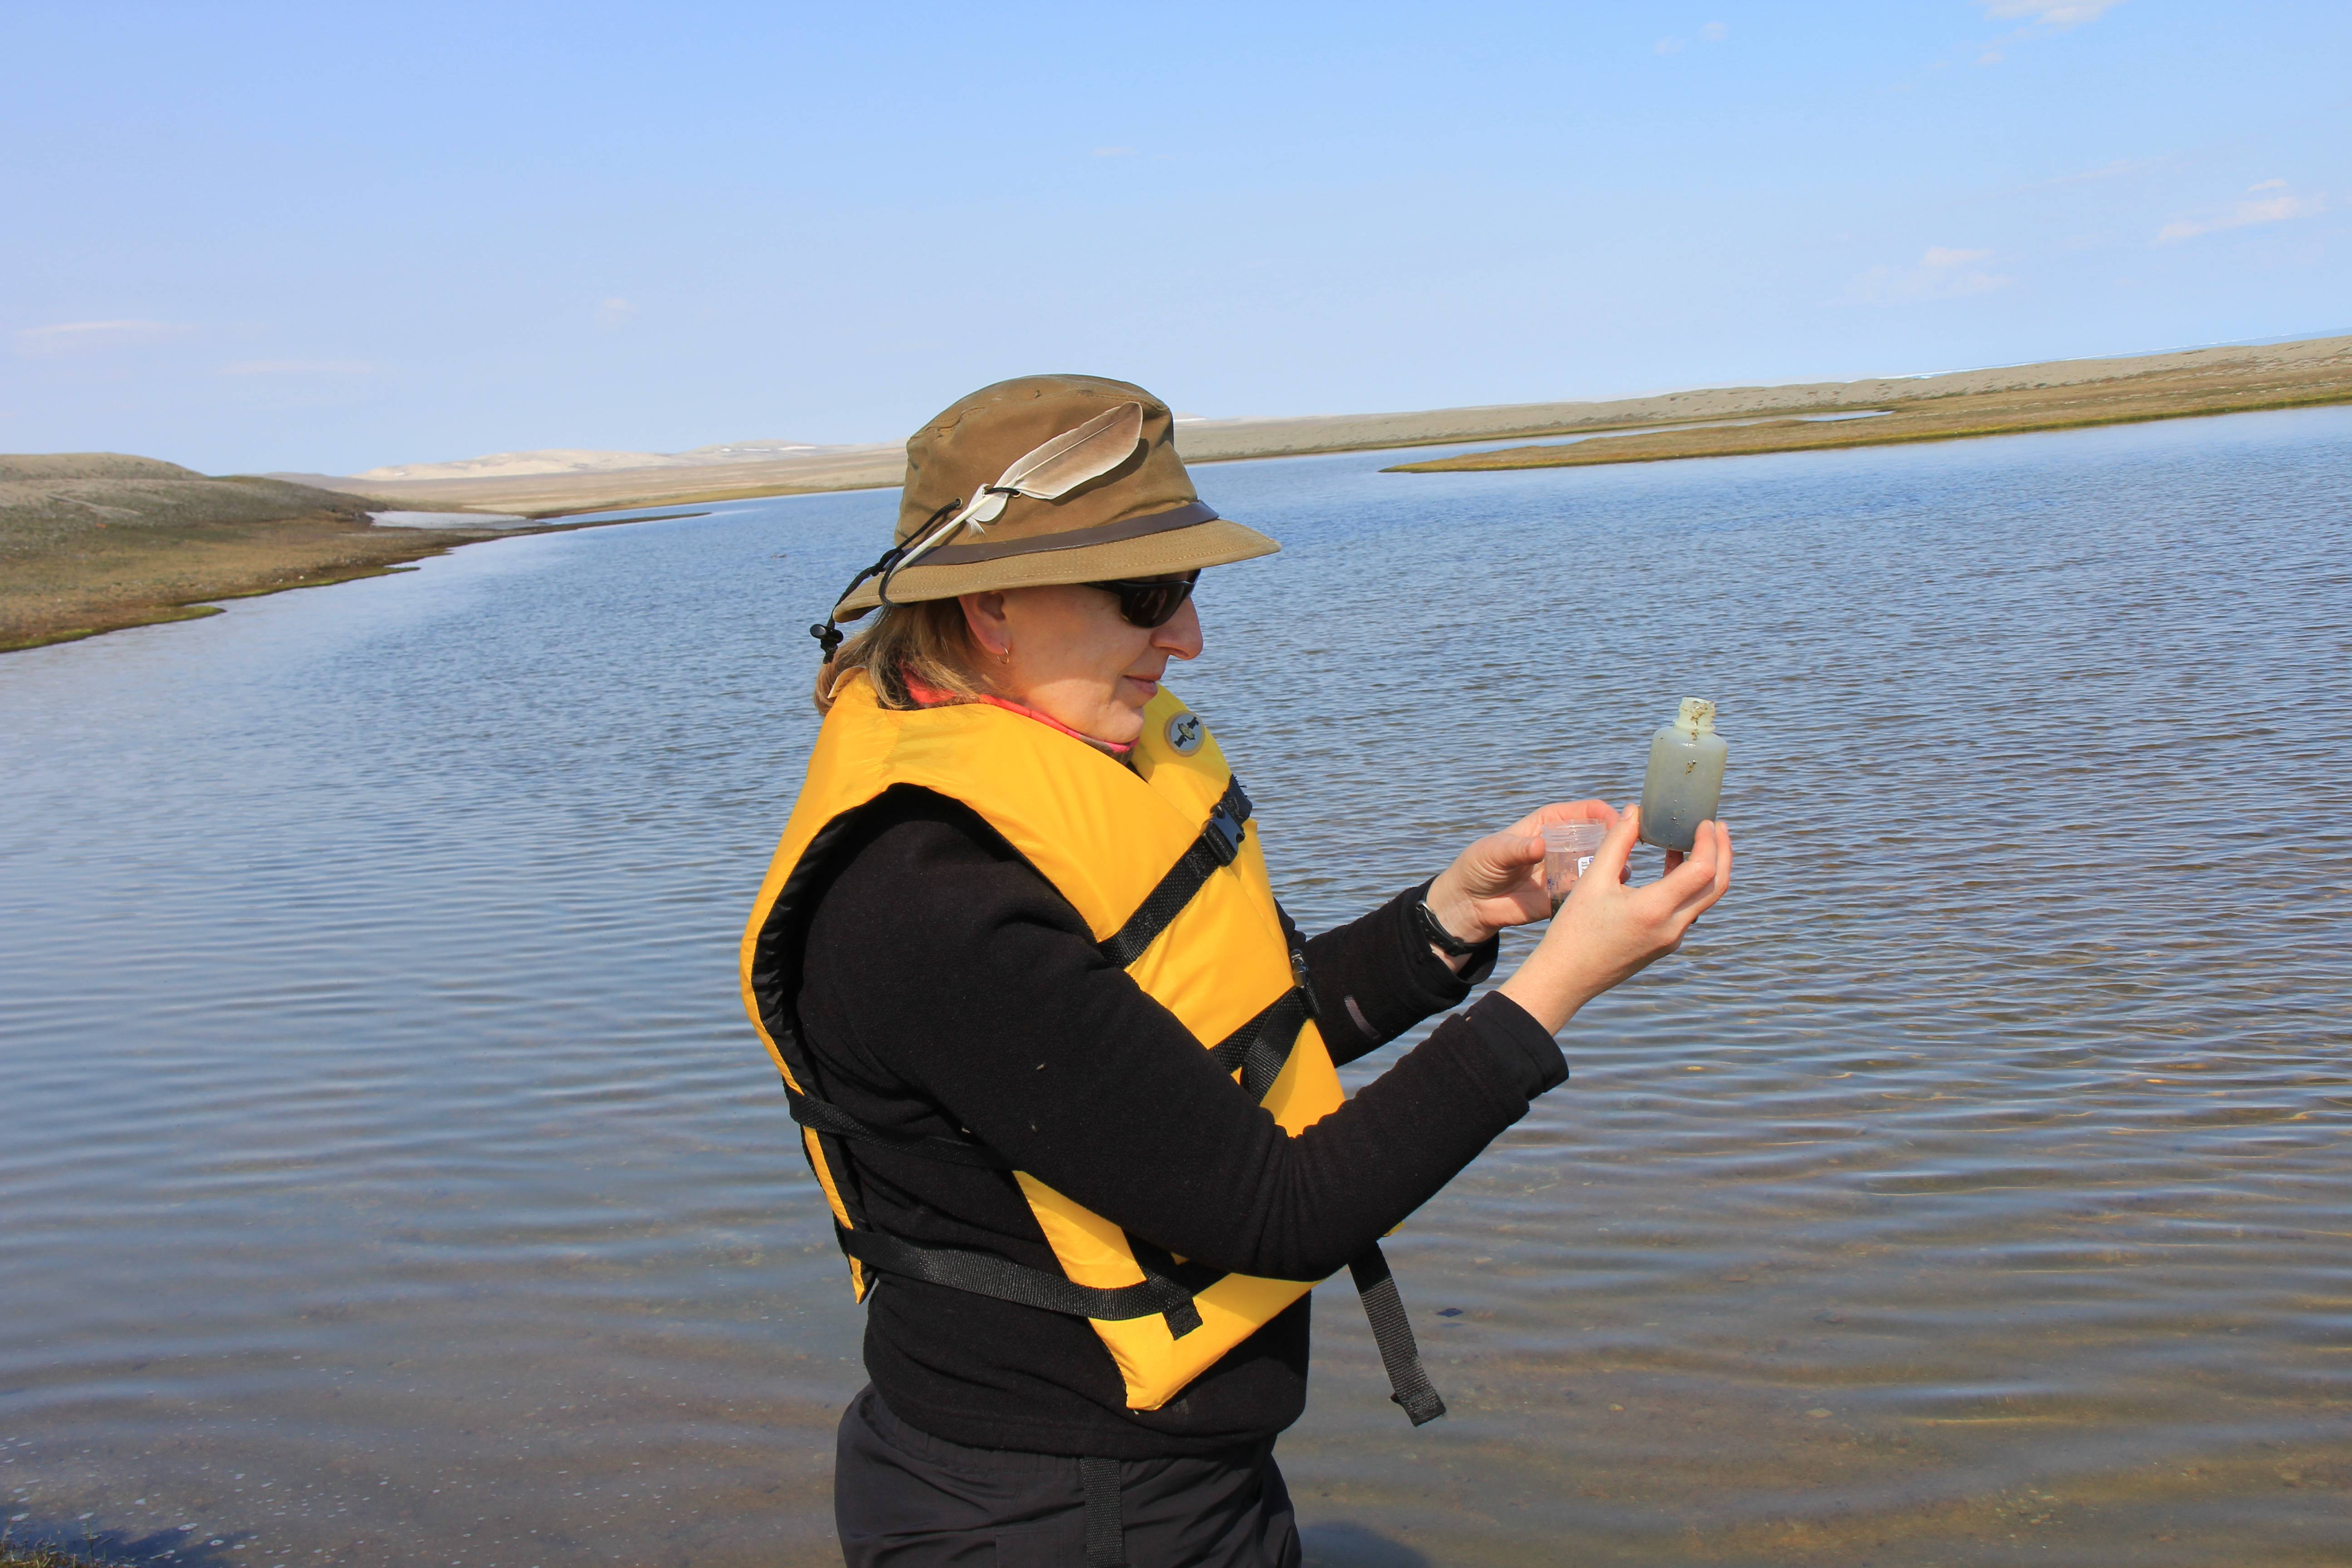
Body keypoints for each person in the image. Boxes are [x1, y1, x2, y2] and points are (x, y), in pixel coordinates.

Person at [740, 374, 1732, 1568]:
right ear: (992, 605)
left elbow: (1227, 1041)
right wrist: (1555, 989)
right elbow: (1280, 1210)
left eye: (1189, 588)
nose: (1188, 638)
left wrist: (1455, 917)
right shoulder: (928, 896)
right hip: (1054, 1516)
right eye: (1147, 595)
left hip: (1154, 1484)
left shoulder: (1068, 778)